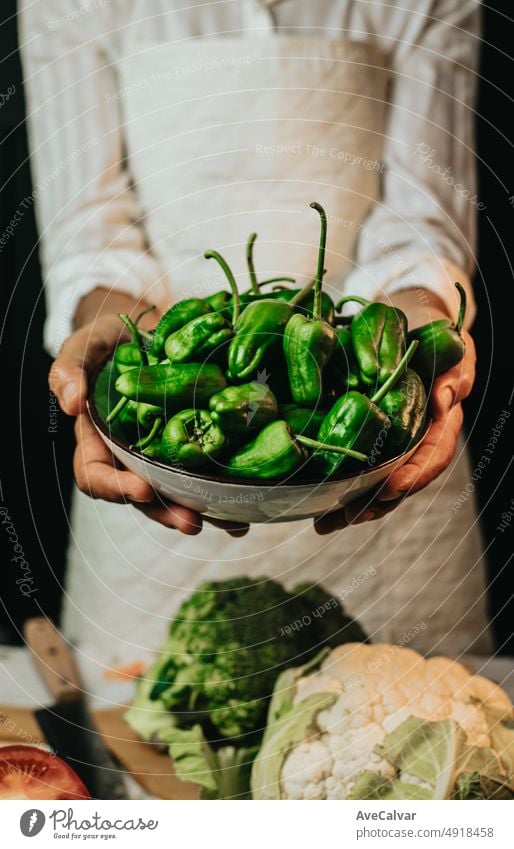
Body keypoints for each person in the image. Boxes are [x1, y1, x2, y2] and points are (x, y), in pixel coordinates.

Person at [19, 0, 489, 668]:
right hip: (157, 462)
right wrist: (116, 345)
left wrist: (419, 334)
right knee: (129, 748)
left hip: (385, 461)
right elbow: (91, 234)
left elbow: (425, 220)